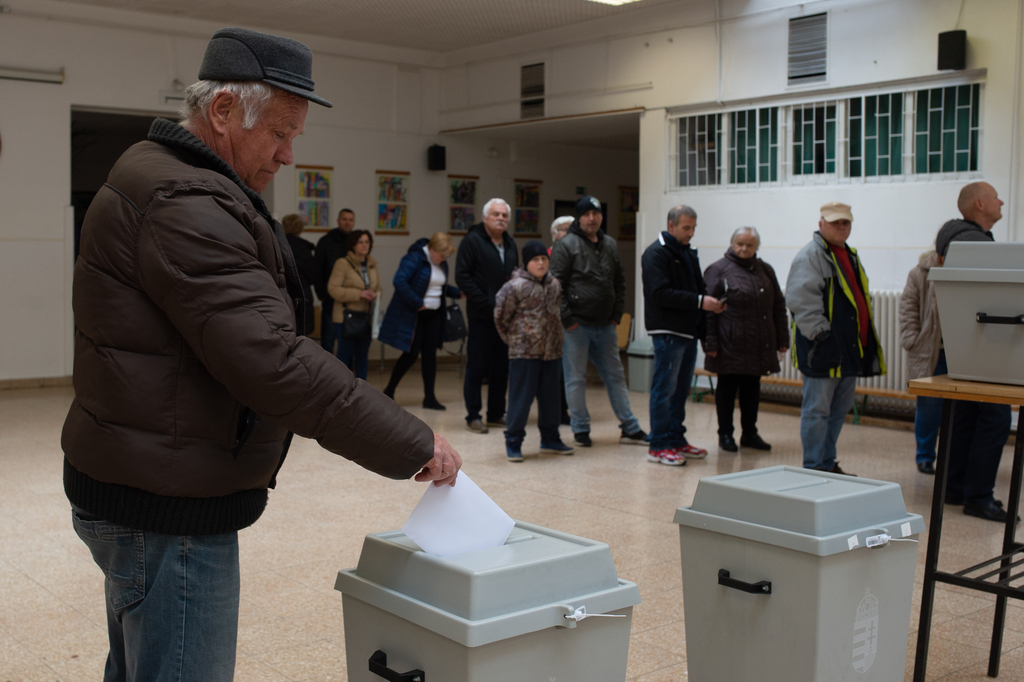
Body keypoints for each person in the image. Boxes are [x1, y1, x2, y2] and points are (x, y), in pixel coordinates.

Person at [62, 28, 462, 682]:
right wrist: (409, 441)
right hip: (168, 504)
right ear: (222, 112)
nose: (287, 155)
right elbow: (269, 360)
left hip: (142, 477)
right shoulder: (184, 195)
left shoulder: (170, 176)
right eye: (279, 133)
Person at [786, 201, 885, 476]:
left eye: (846, 222)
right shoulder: (811, 256)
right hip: (824, 349)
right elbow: (800, 301)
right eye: (835, 222)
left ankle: (827, 462)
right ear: (820, 224)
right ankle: (814, 466)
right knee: (817, 411)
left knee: (839, 410)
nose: (841, 227)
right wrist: (822, 336)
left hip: (848, 349)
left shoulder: (848, 254)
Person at [935, 182, 1012, 522]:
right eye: (996, 197)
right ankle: (979, 496)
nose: (1002, 201)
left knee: (964, 417)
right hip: (987, 345)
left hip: (964, 346)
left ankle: (954, 487)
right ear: (980, 204)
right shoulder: (975, 243)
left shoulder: (955, 239)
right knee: (993, 419)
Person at [550, 195, 648, 448]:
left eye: (596, 213)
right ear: (578, 218)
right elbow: (555, 285)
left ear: (601, 216)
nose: (591, 218)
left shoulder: (610, 244)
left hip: (605, 325)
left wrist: (616, 315)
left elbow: (620, 282)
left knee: (615, 377)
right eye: (586, 214)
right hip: (576, 326)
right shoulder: (566, 244)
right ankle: (580, 428)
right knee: (575, 379)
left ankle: (630, 427)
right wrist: (568, 319)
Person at [640, 205, 725, 465]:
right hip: (667, 331)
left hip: (687, 331)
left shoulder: (687, 252)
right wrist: (701, 301)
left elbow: (697, 288)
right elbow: (660, 294)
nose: (691, 233)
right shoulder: (655, 253)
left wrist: (705, 328)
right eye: (686, 228)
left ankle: (676, 438)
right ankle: (659, 445)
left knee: (679, 390)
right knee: (664, 389)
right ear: (672, 225)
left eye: (693, 228)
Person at [703, 227, 788, 453]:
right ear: (732, 244)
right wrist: (710, 343)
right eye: (740, 244)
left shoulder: (765, 270)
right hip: (729, 343)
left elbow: (778, 305)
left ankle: (750, 433)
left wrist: (783, 337)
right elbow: (708, 311)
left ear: (756, 247)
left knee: (752, 390)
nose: (744, 248)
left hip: (759, 342)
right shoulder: (718, 270)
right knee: (727, 390)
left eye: (750, 245)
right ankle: (725, 434)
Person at [494, 240, 574, 462]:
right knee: (521, 400)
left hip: (552, 352)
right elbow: (501, 317)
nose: (540, 263)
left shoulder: (555, 285)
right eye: (535, 260)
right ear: (527, 263)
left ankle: (550, 438)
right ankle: (514, 441)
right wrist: (514, 341)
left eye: (544, 259)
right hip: (524, 354)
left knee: (551, 400)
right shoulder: (515, 286)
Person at [456, 198, 518, 433]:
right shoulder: (472, 241)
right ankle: (474, 415)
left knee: (501, 368)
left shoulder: (511, 243)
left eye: (504, 215)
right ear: (485, 218)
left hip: (505, 318)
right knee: (477, 366)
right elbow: (463, 276)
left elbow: (515, 277)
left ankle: (495, 413)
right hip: (481, 315)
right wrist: (485, 302)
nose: (501, 218)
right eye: (496, 214)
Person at [380, 232, 462, 409]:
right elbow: (399, 280)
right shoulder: (414, 258)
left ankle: (430, 397)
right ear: (431, 249)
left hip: (434, 315)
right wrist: (417, 303)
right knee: (410, 355)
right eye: (441, 255)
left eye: (446, 256)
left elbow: (439, 285)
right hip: (415, 315)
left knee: (430, 356)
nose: (443, 259)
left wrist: (456, 292)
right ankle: (389, 391)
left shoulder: (441, 261)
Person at [898, 248, 944, 475]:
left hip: (959, 353)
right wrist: (911, 339)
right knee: (929, 406)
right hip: (929, 349)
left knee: (962, 410)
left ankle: (951, 458)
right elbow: (907, 308)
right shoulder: (919, 273)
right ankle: (925, 456)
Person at [327, 229, 381, 380]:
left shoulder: (372, 264)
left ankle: (362, 391)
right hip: (346, 317)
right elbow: (333, 289)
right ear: (353, 245)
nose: (364, 245)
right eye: (360, 242)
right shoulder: (342, 263)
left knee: (363, 355)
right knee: (345, 355)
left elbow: (378, 287)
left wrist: (374, 294)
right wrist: (359, 294)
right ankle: (341, 390)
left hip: (366, 317)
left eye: (367, 242)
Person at [314, 208, 355, 353]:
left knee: (349, 339)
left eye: (350, 220)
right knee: (328, 338)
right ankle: (327, 373)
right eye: (344, 219)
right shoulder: (326, 241)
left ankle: (347, 372)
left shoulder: (356, 243)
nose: (347, 222)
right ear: (338, 221)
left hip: (352, 299)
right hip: (330, 297)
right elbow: (317, 269)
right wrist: (322, 294)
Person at [550, 215, 574, 424]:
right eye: (565, 229)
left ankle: (567, 409)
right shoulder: (545, 257)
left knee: (570, 369)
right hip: (552, 322)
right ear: (554, 234)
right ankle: (556, 410)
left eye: (571, 229)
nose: (568, 233)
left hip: (573, 321)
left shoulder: (578, 254)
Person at [282, 213, 318, 336]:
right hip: (301, 294)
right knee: (302, 336)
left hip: (281, 293)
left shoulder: (277, 245)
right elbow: (313, 276)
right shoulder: (304, 249)